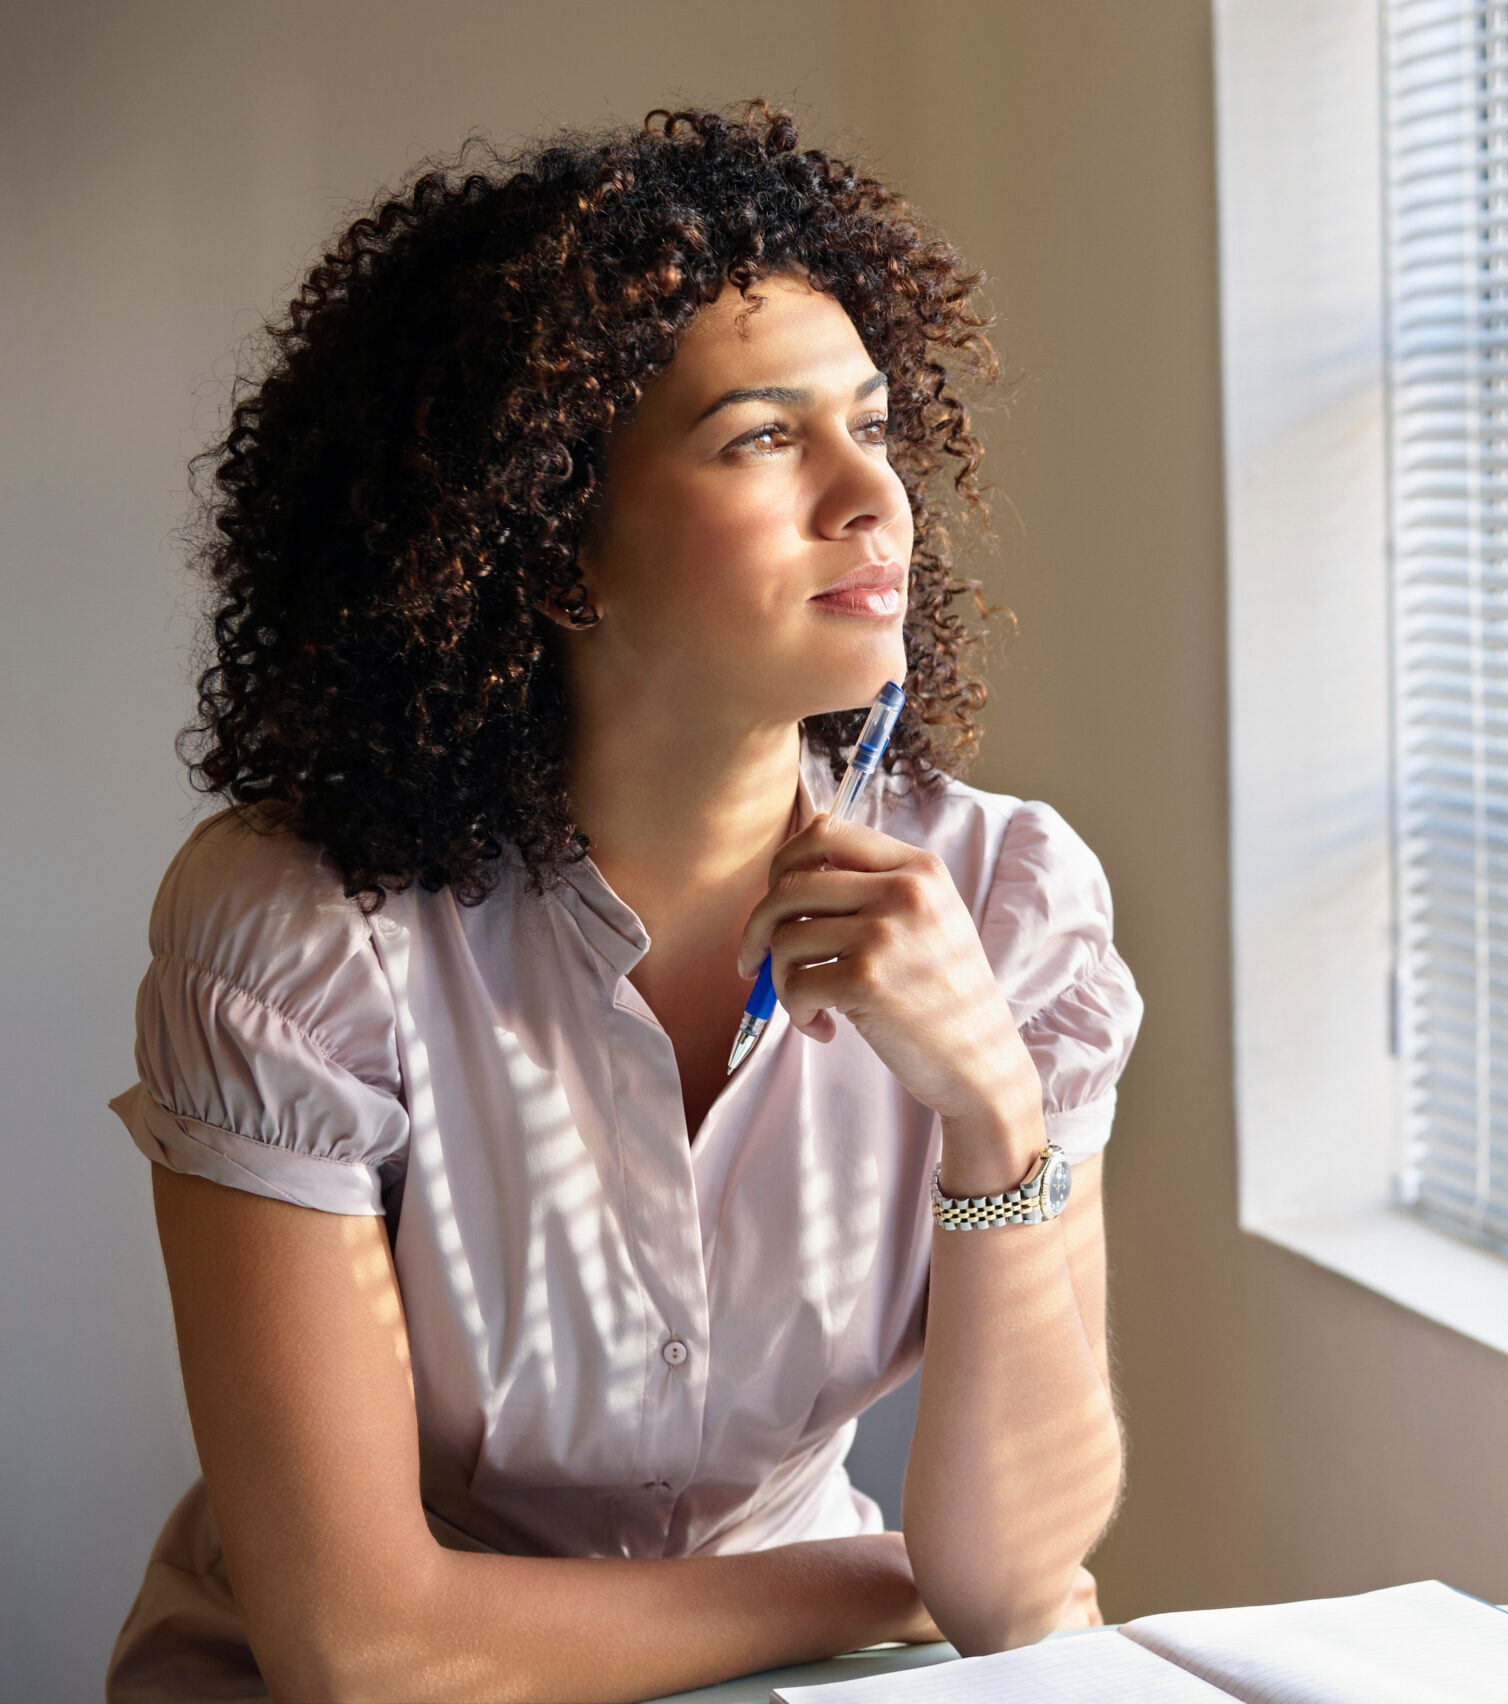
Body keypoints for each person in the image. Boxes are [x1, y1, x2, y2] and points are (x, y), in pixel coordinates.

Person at [104, 104, 1137, 1702]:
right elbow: (361, 1647)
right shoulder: (303, 940)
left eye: (873, 424)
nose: (875, 501)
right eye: (761, 438)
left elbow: (1010, 1585)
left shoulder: (1012, 901)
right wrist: (867, 1579)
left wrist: (996, 1109)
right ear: (549, 545)